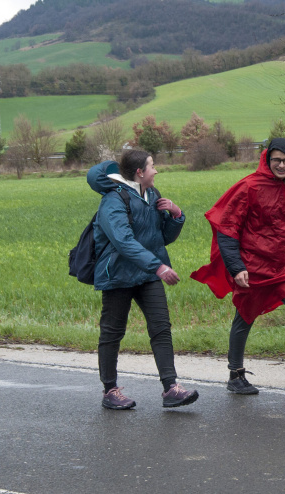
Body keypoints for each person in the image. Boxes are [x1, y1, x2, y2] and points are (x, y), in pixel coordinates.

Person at [191, 138, 285, 396]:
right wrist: (236, 266)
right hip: (253, 268)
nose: (282, 165)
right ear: (267, 159)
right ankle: (235, 374)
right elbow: (227, 229)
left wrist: (283, 249)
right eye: (276, 160)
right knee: (245, 315)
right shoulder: (248, 187)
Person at [88, 150, 198, 410]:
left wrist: (176, 214)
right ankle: (109, 391)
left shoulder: (153, 195)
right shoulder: (113, 201)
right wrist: (158, 266)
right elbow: (123, 242)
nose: (156, 170)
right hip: (118, 274)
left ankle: (171, 388)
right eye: (152, 166)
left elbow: (161, 238)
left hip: (147, 274)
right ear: (139, 172)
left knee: (161, 328)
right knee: (113, 333)